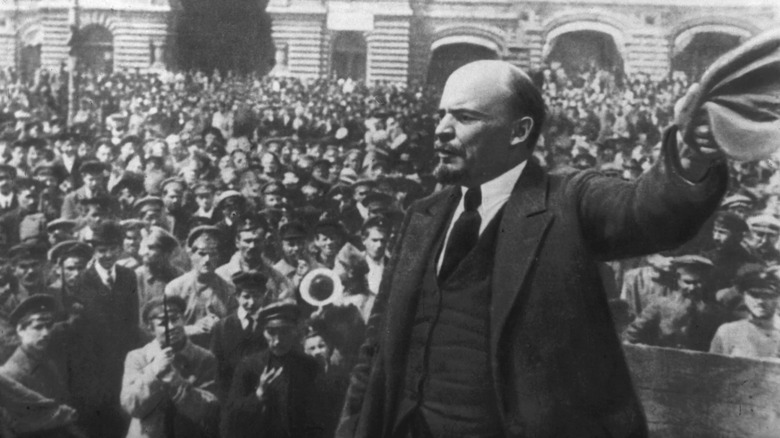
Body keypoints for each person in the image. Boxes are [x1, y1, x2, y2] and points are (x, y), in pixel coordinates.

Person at [337, 60, 729, 438]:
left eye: (464, 117)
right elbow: (375, 348)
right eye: (442, 114)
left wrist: (690, 157)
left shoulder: (569, 201)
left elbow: (644, 211)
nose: (441, 129)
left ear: (518, 131)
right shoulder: (422, 217)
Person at [121, 295, 220, 438]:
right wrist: (154, 372)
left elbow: (209, 410)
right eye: (163, 323)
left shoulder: (204, 358)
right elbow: (132, 406)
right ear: (150, 328)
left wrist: (175, 380)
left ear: (184, 320)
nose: (172, 327)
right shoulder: (137, 358)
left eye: (175, 319)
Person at [222, 301, 323, 438]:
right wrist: (258, 395)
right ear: (263, 332)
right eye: (271, 332)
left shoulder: (309, 366)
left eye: (285, 332)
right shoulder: (249, 366)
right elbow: (231, 417)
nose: (277, 341)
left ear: (295, 331)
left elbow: (320, 417)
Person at [0, 294, 85, 438]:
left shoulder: (49, 361)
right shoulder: (10, 374)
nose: (45, 333)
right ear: (20, 330)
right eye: (38, 327)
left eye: (49, 326)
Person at [625, 256, 725, 351]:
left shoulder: (714, 313)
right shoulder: (659, 305)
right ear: (678, 280)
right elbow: (631, 336)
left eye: (697, 283)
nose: (692, 288)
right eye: (687, 282)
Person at [165, 225, 236, 348]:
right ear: (191, 254)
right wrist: (194, 329)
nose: (207, 259)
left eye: (213, 254)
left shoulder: (228, 289)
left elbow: (236, 328)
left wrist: (220, 326)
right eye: (201, 254)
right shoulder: (175, 288)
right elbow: (165, 328)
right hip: (183, 351)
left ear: (219, 256)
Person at [209, 270, 269, 399]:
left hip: (266, 394)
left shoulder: (270, 325)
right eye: (246, 297)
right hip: (231, 396)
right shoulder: (221, 327)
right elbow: (216, 369)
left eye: (256, 296)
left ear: (264, 295)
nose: (251, 302)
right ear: (237, 296)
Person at [710, 270, 780, 358]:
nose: (760, 301)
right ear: (744, 296)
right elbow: (713, 367)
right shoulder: (728, 331)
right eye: (754, 295)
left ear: (777, 298)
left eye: (767, 296)